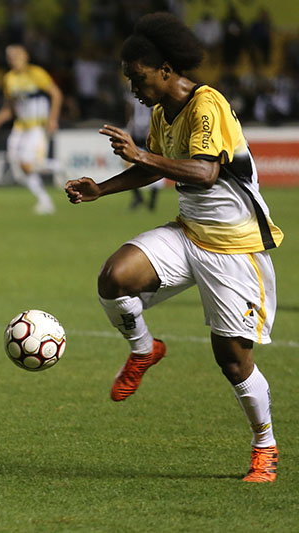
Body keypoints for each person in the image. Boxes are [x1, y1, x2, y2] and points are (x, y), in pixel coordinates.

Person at [65, 13, 282, 483]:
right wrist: (101, 189)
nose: (132, 89)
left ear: (164, 69)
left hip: (234, 250)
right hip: (188, 233)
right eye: (128, 79)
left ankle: (264, 445)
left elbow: (204, 171)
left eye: (137, 77)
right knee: (114, 277)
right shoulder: (163, 113)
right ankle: (144, 349)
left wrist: (141, 153)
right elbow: (153, 168)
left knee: (232, 360)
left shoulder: (208, 105)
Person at [0, 44, 62, 215]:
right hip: (20, 126)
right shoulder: (9, 79)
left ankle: (57, 167)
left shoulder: (36, 73)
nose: (13, 59)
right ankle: (45, 200)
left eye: (16, 55)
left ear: (25, 56)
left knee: (27, 164)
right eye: (10, 56)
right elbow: (11, 108)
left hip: (37, 125)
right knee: (16, 161)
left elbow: (56, 94)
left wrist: (52, 119)